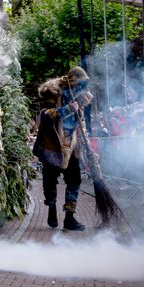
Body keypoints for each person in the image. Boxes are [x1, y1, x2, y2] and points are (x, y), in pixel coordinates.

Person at [33, 66, 92, 232]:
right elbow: (45, 116)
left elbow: (80, 124)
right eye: (79, 84)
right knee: (49, 180)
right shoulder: (53, 92)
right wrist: (67, 109)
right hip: (52, 144)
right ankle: (51, 208)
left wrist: (86, 145)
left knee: (74, 180)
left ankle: (69, 218)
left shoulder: (80, 97)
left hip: (72, 147)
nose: (80, 87)